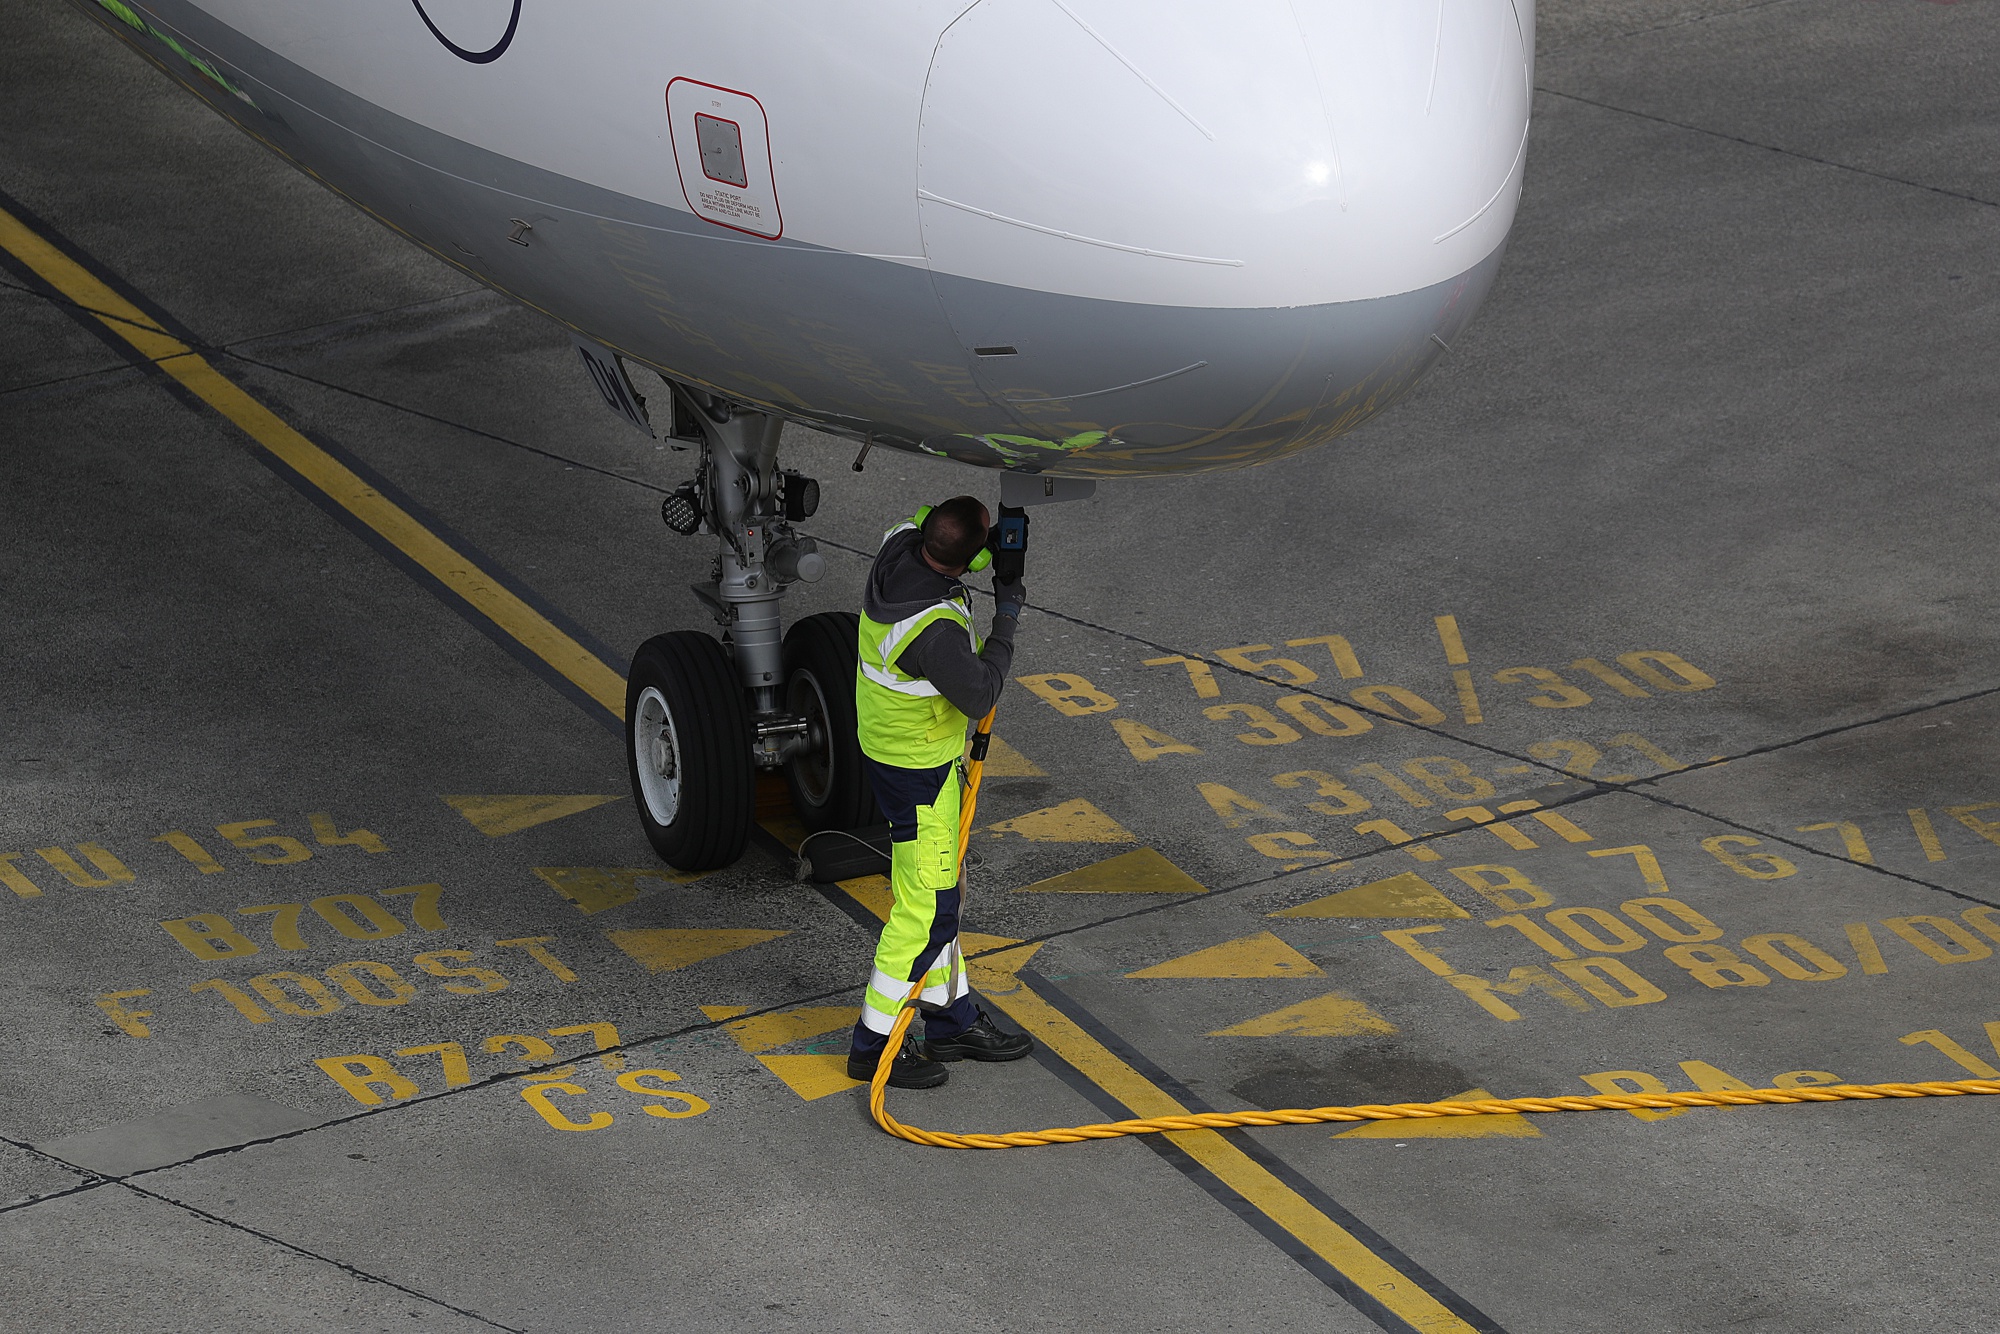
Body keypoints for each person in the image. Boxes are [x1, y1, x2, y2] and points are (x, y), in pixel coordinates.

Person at [846, 495, 1035, 1088]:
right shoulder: (935, 630)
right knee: (926, 913)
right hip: (920, 769)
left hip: (900, 751)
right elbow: (980, 694)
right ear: (972, 560)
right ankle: (872, 1047)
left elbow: (934, 521)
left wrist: (988, 542)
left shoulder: (898, 543)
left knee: (937, 890)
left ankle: (950, 1021)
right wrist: (1006, 613)